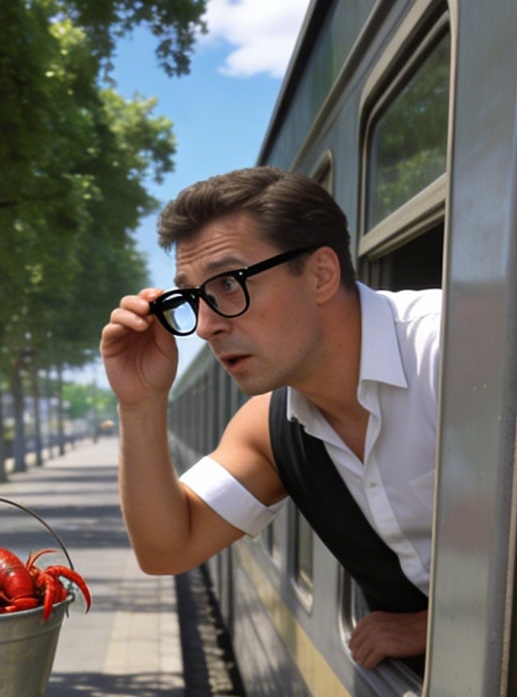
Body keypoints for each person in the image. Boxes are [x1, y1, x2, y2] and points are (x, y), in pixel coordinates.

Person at [100, 166, 440, 669]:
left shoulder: (449, 349)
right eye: (193, 298)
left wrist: (434, 627)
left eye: (229, 284)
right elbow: (167, 549)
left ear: (321, 274)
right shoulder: (271, 427)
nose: (207, 327)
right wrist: (140, 403)